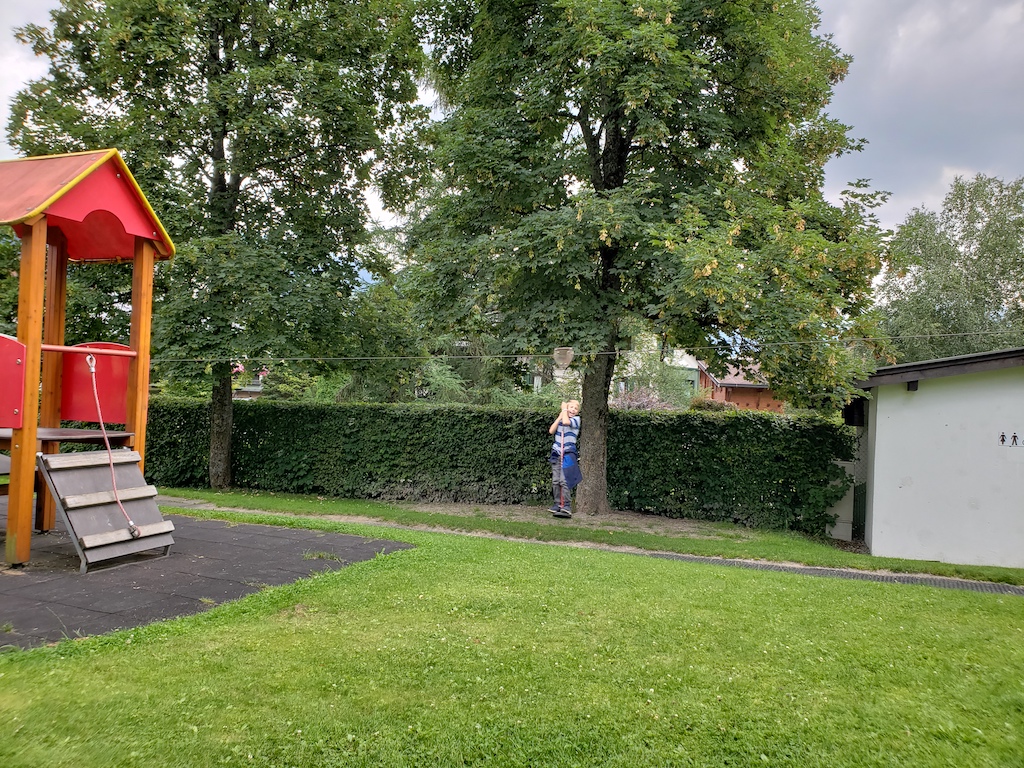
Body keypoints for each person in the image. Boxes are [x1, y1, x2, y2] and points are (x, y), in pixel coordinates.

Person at [548, 399, 581, 518]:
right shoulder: (562, 419)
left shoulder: (576, 420)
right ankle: (557, 504)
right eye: (570, 407)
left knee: (564, 480)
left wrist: (564, 410)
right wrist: (560, 416)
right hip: (557, 452)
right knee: (556, 481)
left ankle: (566, 505)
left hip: (568, 453)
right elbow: (551, 430)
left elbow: (567, 422)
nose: (572, 410)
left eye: (575, 408)